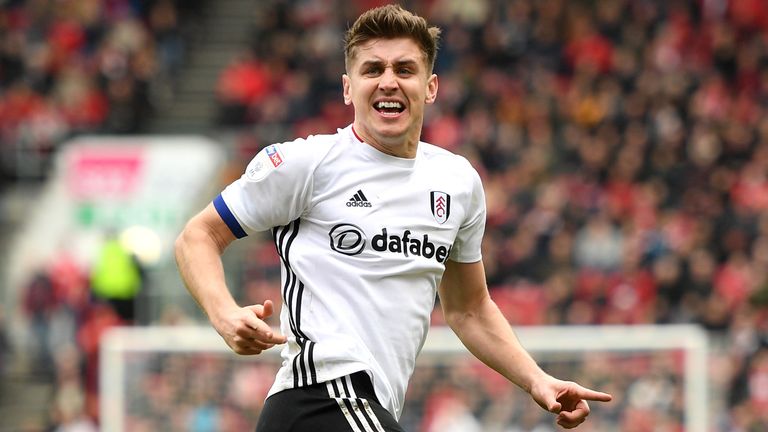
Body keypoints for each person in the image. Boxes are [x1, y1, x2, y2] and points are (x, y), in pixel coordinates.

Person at [175, 4, 612, 431]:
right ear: (348, 88)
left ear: (431, 87)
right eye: (372, 70)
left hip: (365, 408)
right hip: (319, 397)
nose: (388, 82)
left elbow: (469, 309)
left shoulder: (457, 182)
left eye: (404, 70)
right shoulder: (307, 163)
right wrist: (224, 313)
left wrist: (537, 379)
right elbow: (198, 236)